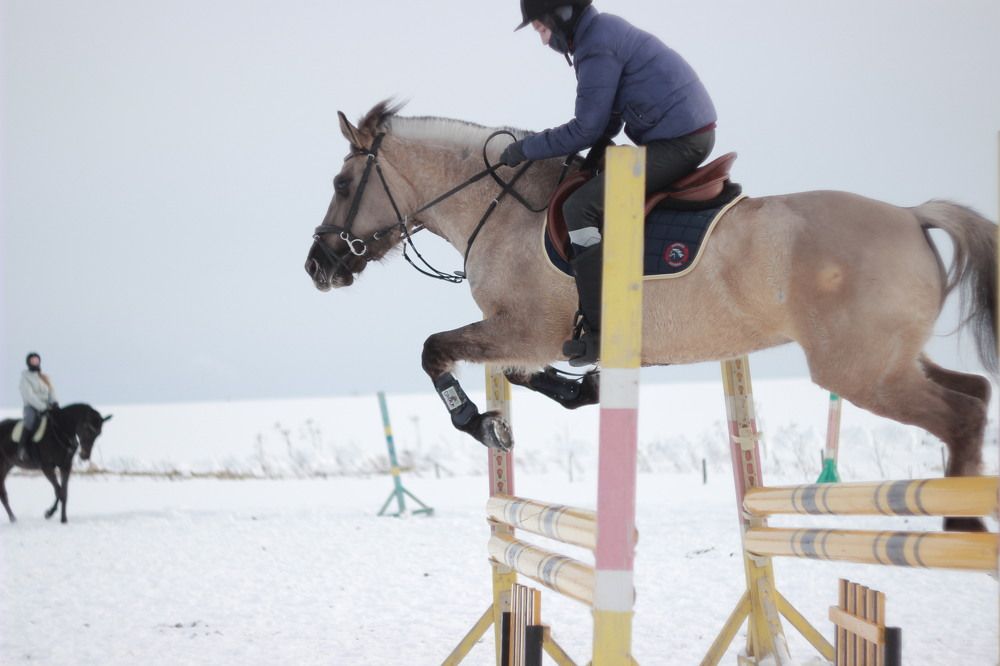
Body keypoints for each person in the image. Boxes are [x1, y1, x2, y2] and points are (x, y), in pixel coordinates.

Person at [500, 0, 718, 365]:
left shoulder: (596, 45)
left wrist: (525, 148)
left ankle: (602, 332)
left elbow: (584, 128)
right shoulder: (599, 34)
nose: (544, 40)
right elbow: (607, 117)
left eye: (542, 29)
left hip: (680, 143)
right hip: (678, 134)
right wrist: (595, 151)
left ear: (562, 15)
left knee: (579, 208)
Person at [17, 352, 58, 463]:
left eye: (37, 360)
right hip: (31, 407)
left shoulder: (44, 377)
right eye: (33, 360)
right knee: (30, 421)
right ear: (28, 362)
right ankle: (23, 448)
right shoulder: (25, 378)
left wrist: (54, 402)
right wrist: (42, 407)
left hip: (47, 406)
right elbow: (29, 396)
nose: (35, 362)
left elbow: (51, 391)